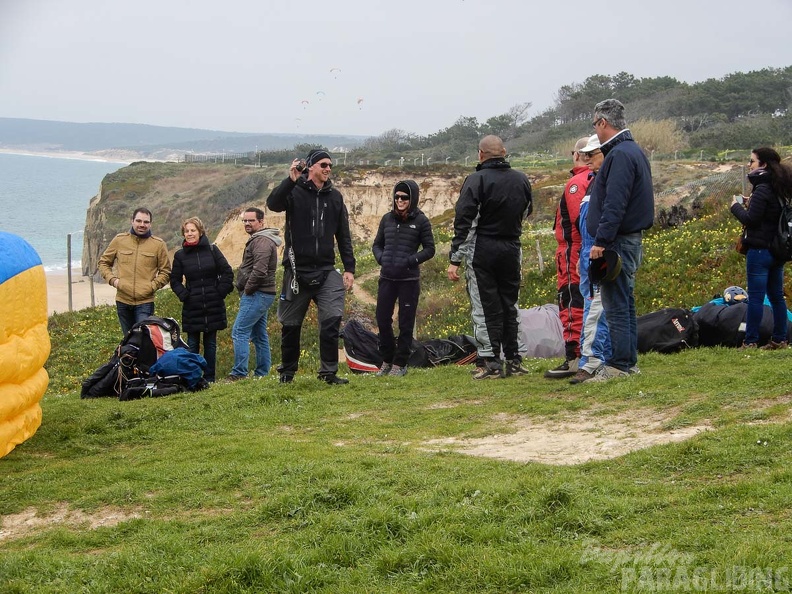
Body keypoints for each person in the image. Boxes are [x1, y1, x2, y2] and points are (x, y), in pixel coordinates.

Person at [267, 149, 356, 385]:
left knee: (331, 320)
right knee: (290, 324)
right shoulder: (294, 192)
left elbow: (343, 236)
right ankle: (287, 372)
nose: (328, 169)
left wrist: (349, 268)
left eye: (330, 165)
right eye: (323, 164)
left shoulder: (335, 197)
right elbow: (273, 204)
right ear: (312, 167)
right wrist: (290, 180)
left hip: (326, 270)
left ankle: (328, 372)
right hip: (297, 272)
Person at [447, 135, 533, 379]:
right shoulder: (521, 179)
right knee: (510, 304)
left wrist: (455, 259)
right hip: (512, 247)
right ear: (504, 152)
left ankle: (491, 361)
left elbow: (465, 222)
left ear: (480, 155)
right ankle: (514, 359)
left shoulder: (476, 181)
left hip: (483, 250)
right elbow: (526, 211)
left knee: (485, 307)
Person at [586, 99, 654, 382]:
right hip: (627, 239)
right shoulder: (632, 150)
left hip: (618, 242)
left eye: (595, 124)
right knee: (624, 302)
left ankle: (619, 365)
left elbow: (616, 202)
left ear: (603, 122)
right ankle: (627, 361)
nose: (595, 130)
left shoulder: (620, 155)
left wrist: (601, 241)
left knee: (616, 304)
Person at [729, 147, 792, 349]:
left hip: (759, 251)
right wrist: (751, 202)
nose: (749, 165)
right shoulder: (779, 187)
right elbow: (768, 213)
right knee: (776, 297)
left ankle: (750, 341)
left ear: (763, 164)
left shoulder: (762, 188)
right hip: (777, 250)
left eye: (752, 161)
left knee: (755, 297)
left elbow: (751, 219)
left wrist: (735, 207)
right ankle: (779, 339)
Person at [372, 180, 436, 377]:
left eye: (404, 197)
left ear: (412, 199)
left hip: (408, 281)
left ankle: (400, 363)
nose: (399, 200)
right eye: (397, 197)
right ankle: (387, 359)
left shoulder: (421, 221)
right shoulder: (386, 219)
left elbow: (430, 249)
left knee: (405, 323)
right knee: (382, 319)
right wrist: (381, 258)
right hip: (387, 278)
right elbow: (376, 244)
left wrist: (411, 260)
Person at [545, 137, 591, 379]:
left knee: (572, 300)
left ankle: (574, 357)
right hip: (582, 249)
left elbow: (578, 219)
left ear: (577, 154)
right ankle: (589, 354)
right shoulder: (596, 178)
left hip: (572, 250)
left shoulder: (576, 183)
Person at [169, 217, 234, 383]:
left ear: (200, 232)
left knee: (210, 343)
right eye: (187, 231)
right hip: (192, 305)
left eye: (193, 230)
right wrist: (184, 296)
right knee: (192, 344)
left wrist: (220, 292)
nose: (190, 234)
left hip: (213, 304)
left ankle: (210, 378)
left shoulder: (213, 250)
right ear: (183, 233)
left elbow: (227, 272)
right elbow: (175, 280)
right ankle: (194, 378)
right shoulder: (180, 255)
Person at [570, 135, 612, 384]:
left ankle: (592, 361)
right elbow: (583, 223)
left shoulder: (605, 182)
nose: (586, 160)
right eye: (584, 155)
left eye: (591, 154)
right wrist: (580, 255)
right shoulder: (593, 182)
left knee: (596, 310)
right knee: (592, 307)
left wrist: (596, 251)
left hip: (598, 253)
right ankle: (599, 358)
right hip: (588, 253)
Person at [98, 207, 171, 335]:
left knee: (143, 339)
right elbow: (103, 262)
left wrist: (152, 286)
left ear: (150, 224)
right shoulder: (119, 240)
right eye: (138, 221)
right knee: (128, 340)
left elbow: (166, 271)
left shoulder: (158, 245)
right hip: (123, 301)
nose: (142, 225)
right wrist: (114, 281)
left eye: (146, 222)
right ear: (132, 221)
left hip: (145, 302)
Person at [228, 207, 282, 380]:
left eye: (251, 220)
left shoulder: (262, 241)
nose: (247, 223)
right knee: (259, 335)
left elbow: (259, 270)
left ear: (261, 221)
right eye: (245, 220)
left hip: (257, 293)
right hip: (262, 293)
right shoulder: (261, 239)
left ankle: (239, 373)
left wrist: (248, 290)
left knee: (239, 331)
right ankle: (262, 373)